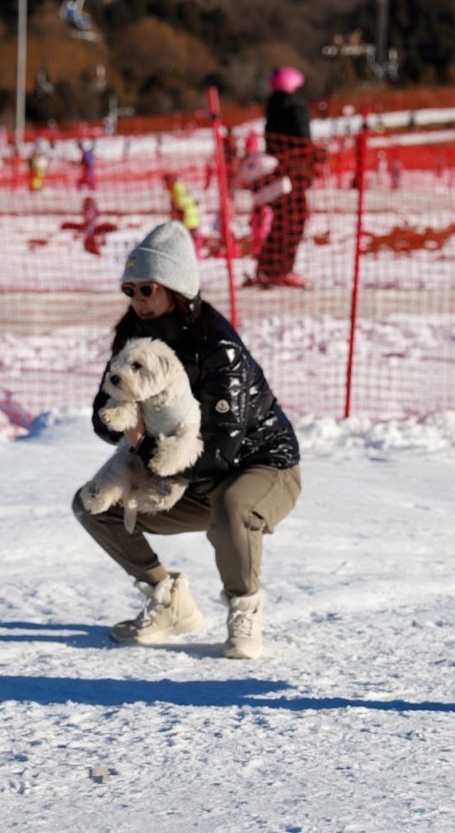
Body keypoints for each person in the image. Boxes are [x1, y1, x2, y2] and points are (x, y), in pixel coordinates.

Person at [72, 222, 302, 659]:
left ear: (176, 288)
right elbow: (104, 421)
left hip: (261, 464)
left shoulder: (218, 347)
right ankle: (167, 597)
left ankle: (244, 607)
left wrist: (142, 448)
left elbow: (219, 452)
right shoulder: (132, 339)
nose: (138, 300)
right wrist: (124, 422)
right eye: (131, 290)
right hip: (178, 470)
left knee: (232, 505)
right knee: (92, 505)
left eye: (148, 289)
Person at [256, 66, 316, 288]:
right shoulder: (296, 108)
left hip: (277, 171)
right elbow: (304, 141)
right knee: (295, 220)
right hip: (296, 172)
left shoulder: (272, 108)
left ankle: (267, 267)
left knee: (280, 220)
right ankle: (282, 270)